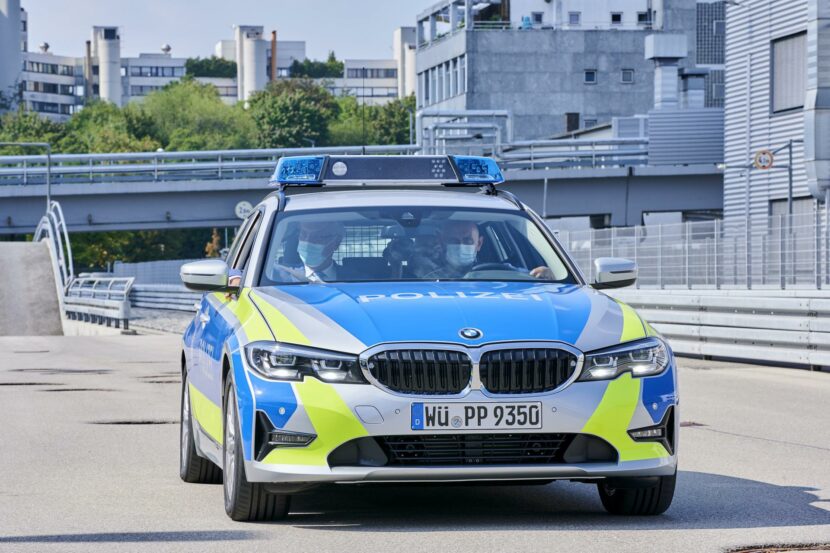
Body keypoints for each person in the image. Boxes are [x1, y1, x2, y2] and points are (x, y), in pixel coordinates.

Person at [228, 221, 344, 287]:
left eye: (318, 237)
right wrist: (236, 279)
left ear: (336, 242)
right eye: (304, 235)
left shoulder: (357, 277)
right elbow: (235, 272)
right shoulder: (277, 273)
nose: (308, 242)